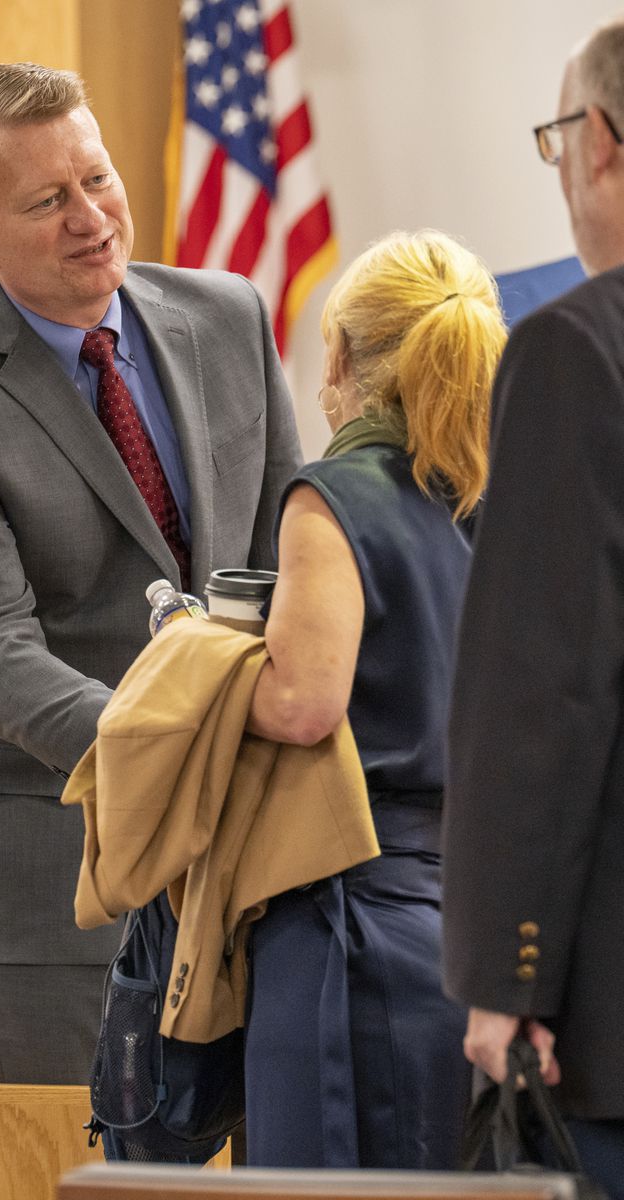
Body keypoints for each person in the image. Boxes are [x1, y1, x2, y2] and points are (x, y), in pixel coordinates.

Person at [0, 62, 302, 1086]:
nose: (90, 217)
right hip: (60, 879)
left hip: (261, 852)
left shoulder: (230, 313)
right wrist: (173, 746)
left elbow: (289, 548)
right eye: (47, 200)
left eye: (96, 180)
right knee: (77, 1170)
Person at [243, 229, 507, 1168]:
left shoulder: (334, 497)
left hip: (349, 926)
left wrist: (204, 666)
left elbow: (304, 703)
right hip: (479, 934)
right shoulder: (502, 501)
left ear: (344, 356)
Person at [442, 15, 624, 1198]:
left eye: (556, 137)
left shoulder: (572, 350)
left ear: (599, 143)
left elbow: (541, 691)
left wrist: (508, 975)